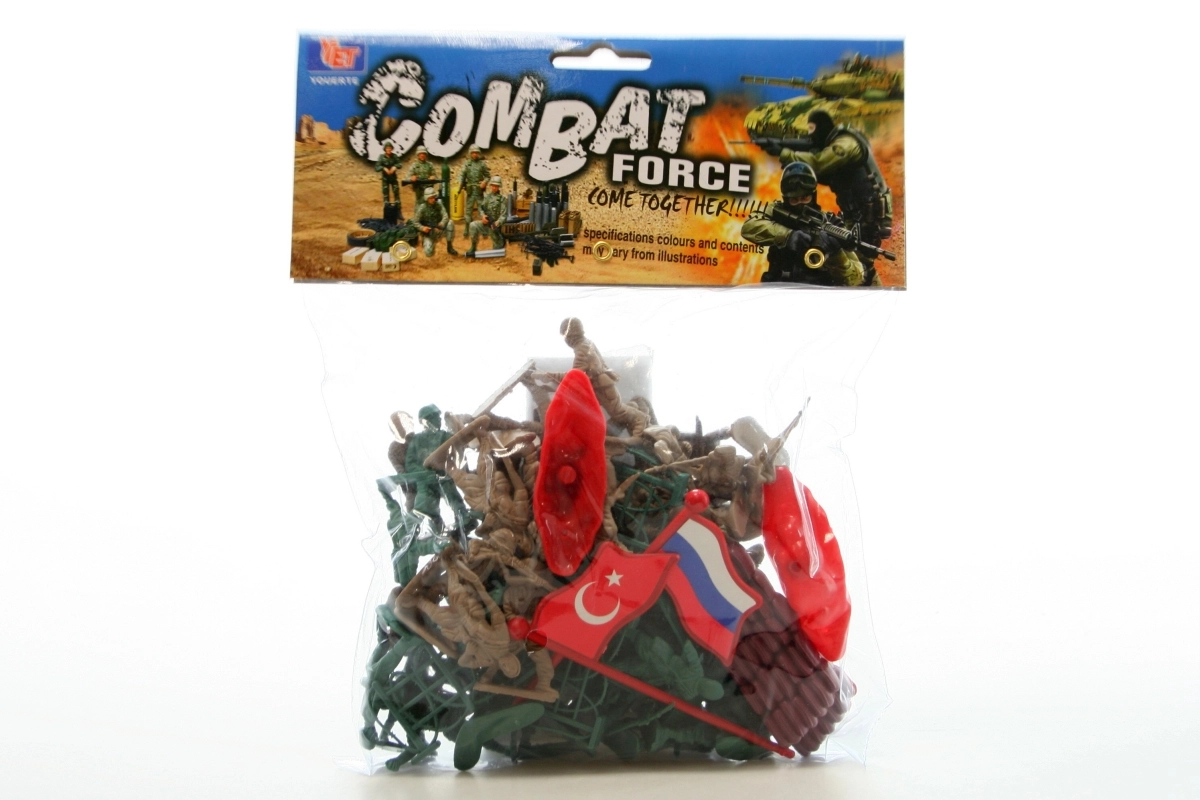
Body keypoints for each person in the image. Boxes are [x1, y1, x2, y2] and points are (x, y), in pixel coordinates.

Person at [778, 111, 892, 285]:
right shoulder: (837, 142)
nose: (810, 134)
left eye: (812, 129)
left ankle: (870, 292)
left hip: (870, 215)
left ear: (823, 127)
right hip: (856, 214)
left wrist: (786, 154)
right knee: (859, 264)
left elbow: (819, 163)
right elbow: (826, 175)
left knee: (859, 266)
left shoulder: (846, 143)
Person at [740, 162, 864, 286]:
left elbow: (855, 279)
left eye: (805, 198)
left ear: (813, 196)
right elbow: (749, 226)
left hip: (817, 293)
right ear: (786, 199)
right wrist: (788, 236)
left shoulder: (831, 224)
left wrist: (836, 254)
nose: (800, 204)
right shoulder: (778, 211)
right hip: (779, 288)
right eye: (794, 200)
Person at [466, 176, 507, 257]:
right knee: (473, 225)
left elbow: (503, 215)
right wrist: (483, 216)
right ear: (491, 186)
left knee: (497, 251)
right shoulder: (487, 197)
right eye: (493, 185)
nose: (494, 188)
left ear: (499, 187)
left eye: (496, 186)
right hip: (486, 224)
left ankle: (497, 245)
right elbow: (481, 208)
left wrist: (497, 223)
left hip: (494, 226)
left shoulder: (502, 199)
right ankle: (473, 246)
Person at [458, 145, 491, 239]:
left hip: (479, 191)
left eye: (476, 152)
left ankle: (484, 230)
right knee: (468, 211)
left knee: (482, 210)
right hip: (470, 192)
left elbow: (488, 176)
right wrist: (460, 183)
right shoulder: (467, 164)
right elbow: (462, 175)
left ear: (478, 153)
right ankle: (467, 229)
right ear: (470, 153)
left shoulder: (482, 164)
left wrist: (484, 182)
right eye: (473, 153)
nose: (475, 154)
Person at [414, 187, 459, 257]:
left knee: (450, 223)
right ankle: (426, 242)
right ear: (426, 198)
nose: (433, 199)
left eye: (434, 197)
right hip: (428, 233)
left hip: (438, 229)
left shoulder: (438, 205)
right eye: (431, 198)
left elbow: (445, 216)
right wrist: (422, 228)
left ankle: (449, 246)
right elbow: (415, 222)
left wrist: (441, 224)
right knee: (429, 253)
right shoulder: (422, 208)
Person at [376, 141, 402, 205]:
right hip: (385, 179)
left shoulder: (394, 156)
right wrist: (383, 168)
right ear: (385, 149)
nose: (389, 150)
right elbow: (377, 167)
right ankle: (387, 207)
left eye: (390, 148)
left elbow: (400, 164)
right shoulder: (381, 157)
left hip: (393, 178)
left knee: (396, 193)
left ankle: (397, 206)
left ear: (392, 149)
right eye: (387, 148)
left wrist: (395, 166)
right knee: (386, 195)